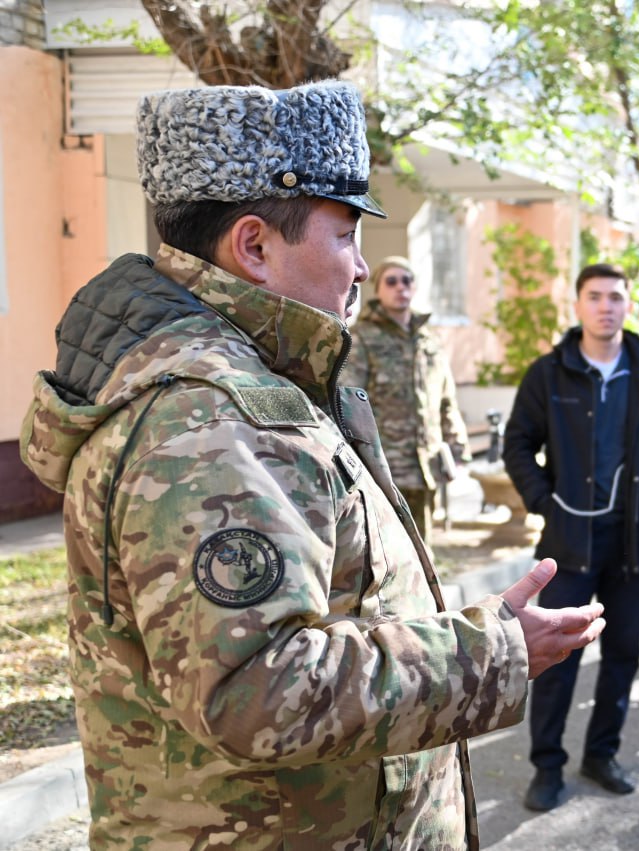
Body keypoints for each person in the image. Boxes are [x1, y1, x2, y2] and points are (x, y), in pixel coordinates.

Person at [18, 80, 605, 851]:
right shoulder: (213, 422)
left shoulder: (255, 384)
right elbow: (258, 689)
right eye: (344, 236)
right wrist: (492, 652)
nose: (363, 268)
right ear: (255, 247)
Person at [503, 262, 639, 812]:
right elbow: (518, 443)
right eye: (595, 296)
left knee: (622, 657)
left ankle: (601, 755)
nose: (606, 306)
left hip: (636, 542)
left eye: (615, 297)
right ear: (579, 305)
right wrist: (545, 502)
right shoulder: (549, 373)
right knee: (557, 658)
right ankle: (546, 765)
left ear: (627, 306)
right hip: (570, 544)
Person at [347, 256, 471, 548]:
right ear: (378, 289)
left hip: (425, 465)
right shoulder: (362, 338)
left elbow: (445, 400)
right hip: (383, 467)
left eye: (407, 280)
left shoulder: (428, 340)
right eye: (391, 281)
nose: (400, 287)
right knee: (385, 549)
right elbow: (348, 402)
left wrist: (457, 448)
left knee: (422, 547)